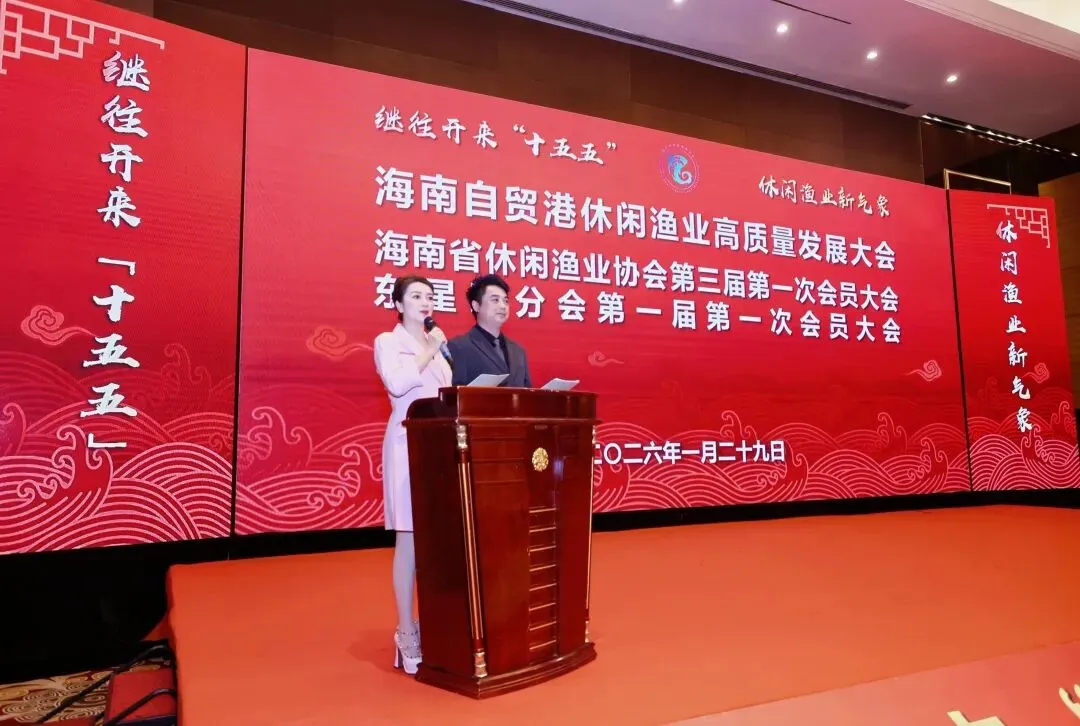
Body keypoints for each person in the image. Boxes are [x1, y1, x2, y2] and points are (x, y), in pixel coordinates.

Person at [372, 274, 452, 675]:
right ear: (399, 304)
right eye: (416, 295)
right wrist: (429, 350)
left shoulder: (437, 350)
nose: (425, 302)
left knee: (436, 540)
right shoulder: (389, 342)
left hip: (439, 448)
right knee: (410, 539)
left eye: (430, 296)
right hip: (407, 447)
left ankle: (432, 623)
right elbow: (398, 383)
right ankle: (405, 632)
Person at [447, 273, 532, 388]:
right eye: (495, 300)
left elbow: (527, 391)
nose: (503, 306)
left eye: (506, 301)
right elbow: (455, 393)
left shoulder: (518, 351)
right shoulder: (458, 347)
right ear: (476, 306)